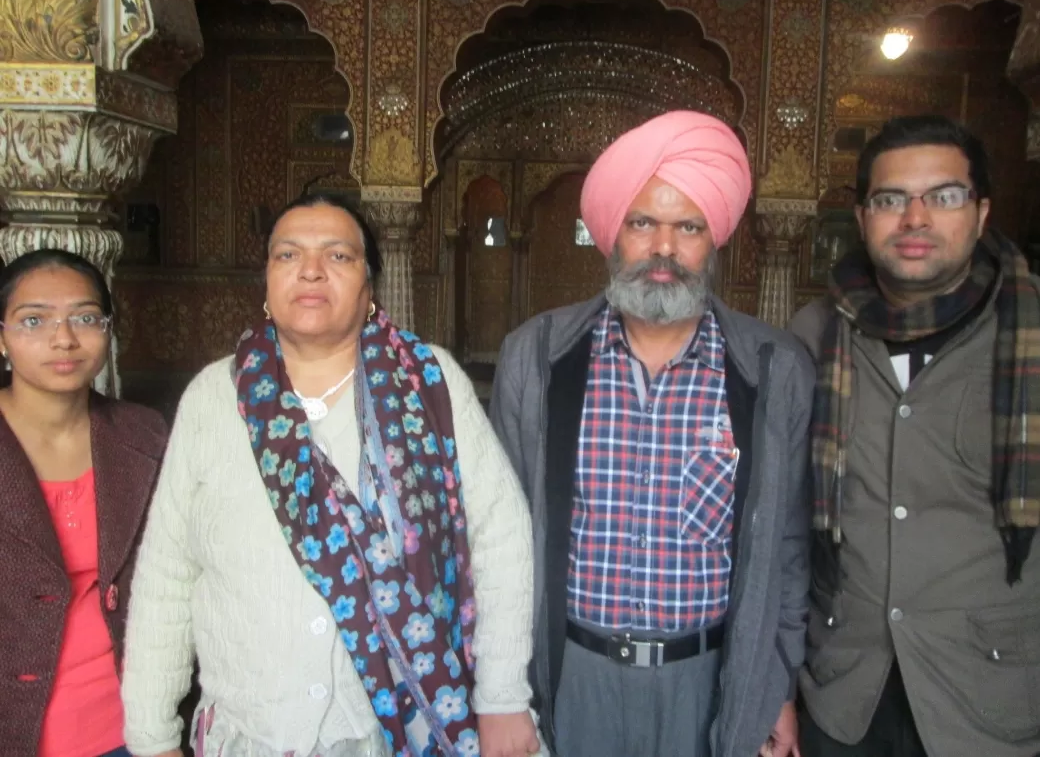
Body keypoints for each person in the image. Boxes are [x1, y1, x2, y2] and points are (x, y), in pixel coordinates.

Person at [121, 193, 540, 757]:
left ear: (369, 290)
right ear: (267, 285)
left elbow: (502, 541)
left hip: (391, 735)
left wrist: (503, 696)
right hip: (249, 733)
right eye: (288, 255)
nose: (311, 270)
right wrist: (151, 737)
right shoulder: (213, 398)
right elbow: (167, 577)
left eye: (338, 256)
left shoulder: (431, 385)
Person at [488, 110, 815, 757]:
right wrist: (500, 695)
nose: (663, 249)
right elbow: (496, 541)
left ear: (713, 240)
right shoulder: (538, 356)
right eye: (642, 223)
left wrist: (776, 688)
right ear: (612, 234)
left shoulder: (773, 369)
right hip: (571, 675)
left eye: (687, 227)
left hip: (711, 682)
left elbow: (789, 549)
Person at [790, 115, 1040, 757]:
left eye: (943, 196)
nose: (915, 218)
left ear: (980, 213)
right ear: (864, 216)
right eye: (892, 199)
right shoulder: (814, 336)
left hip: (1007, 712)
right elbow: (782, 523)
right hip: (845, 700)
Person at [0, 249, 169, 757]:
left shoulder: (145, 434)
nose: (63, 338)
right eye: (35, 319)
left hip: (131, 729)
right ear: (1, 335)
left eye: (85, 317)